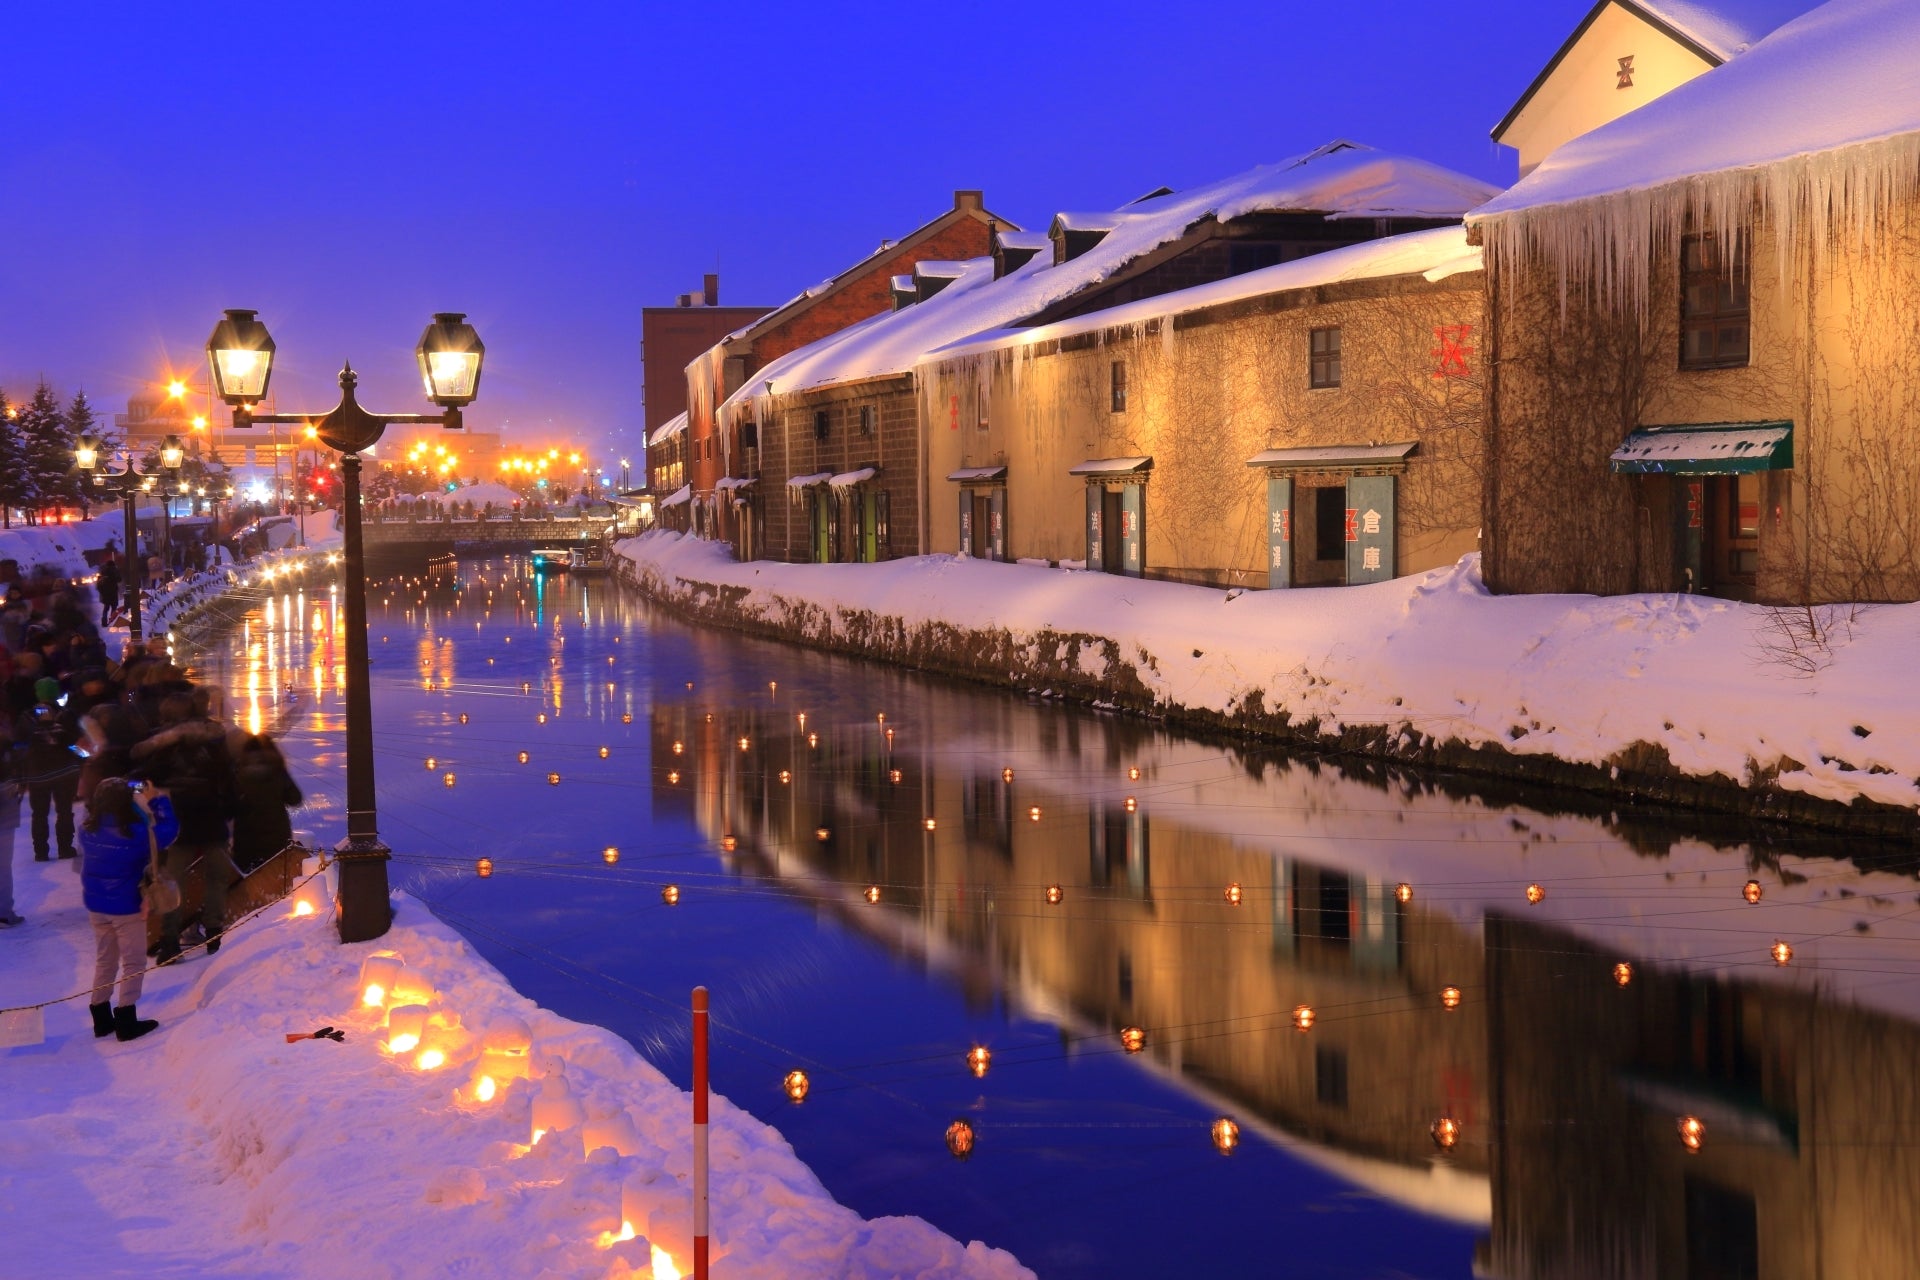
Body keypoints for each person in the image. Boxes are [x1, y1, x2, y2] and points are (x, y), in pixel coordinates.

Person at [133, 691, 238, 963]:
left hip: (175, 815)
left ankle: (170, 942)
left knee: (172, 881)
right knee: (216, 876)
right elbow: (227, 774)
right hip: (211, 813)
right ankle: (214, 934)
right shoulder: (213, 735)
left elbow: (148, 774)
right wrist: (227, 806)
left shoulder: (159, 742)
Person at [77, 777, 176, 1041]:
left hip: (96, 905)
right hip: (126, 906)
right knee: (133, 961)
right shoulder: (138, 835)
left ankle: (101, 1017)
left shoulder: (87, 829)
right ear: (126, 802)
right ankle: (126, 1020)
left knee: (105, 959)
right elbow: (169, 829)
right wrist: (156, 799)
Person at [12, 676, 82, 862]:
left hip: (37, 773)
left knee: (39, 813)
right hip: (65, 771)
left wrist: (21, 773)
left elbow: (18, 744)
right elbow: (75, 742)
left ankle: (41, 852)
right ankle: (65, 848)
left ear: (37, 694)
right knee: (65, 810)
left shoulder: (27, 717)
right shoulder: (66, 714)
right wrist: (84, 759)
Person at [230, 733, 302, 875]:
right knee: (276, 879)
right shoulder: (278, 771)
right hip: (276, 838)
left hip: (246, 839)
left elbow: (228, 806)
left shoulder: (238, 773)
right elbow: (295, 799)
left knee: (246, 882)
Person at [95, 552, 122, 629]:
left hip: (105, 594)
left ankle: (104, 622)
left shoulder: (102, 572)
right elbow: (119, 579)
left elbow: (98, 584)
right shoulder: (115, 571)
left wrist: (102, 592)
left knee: (106, 608)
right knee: (114, 608)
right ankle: (112, 621)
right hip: (113, 592)